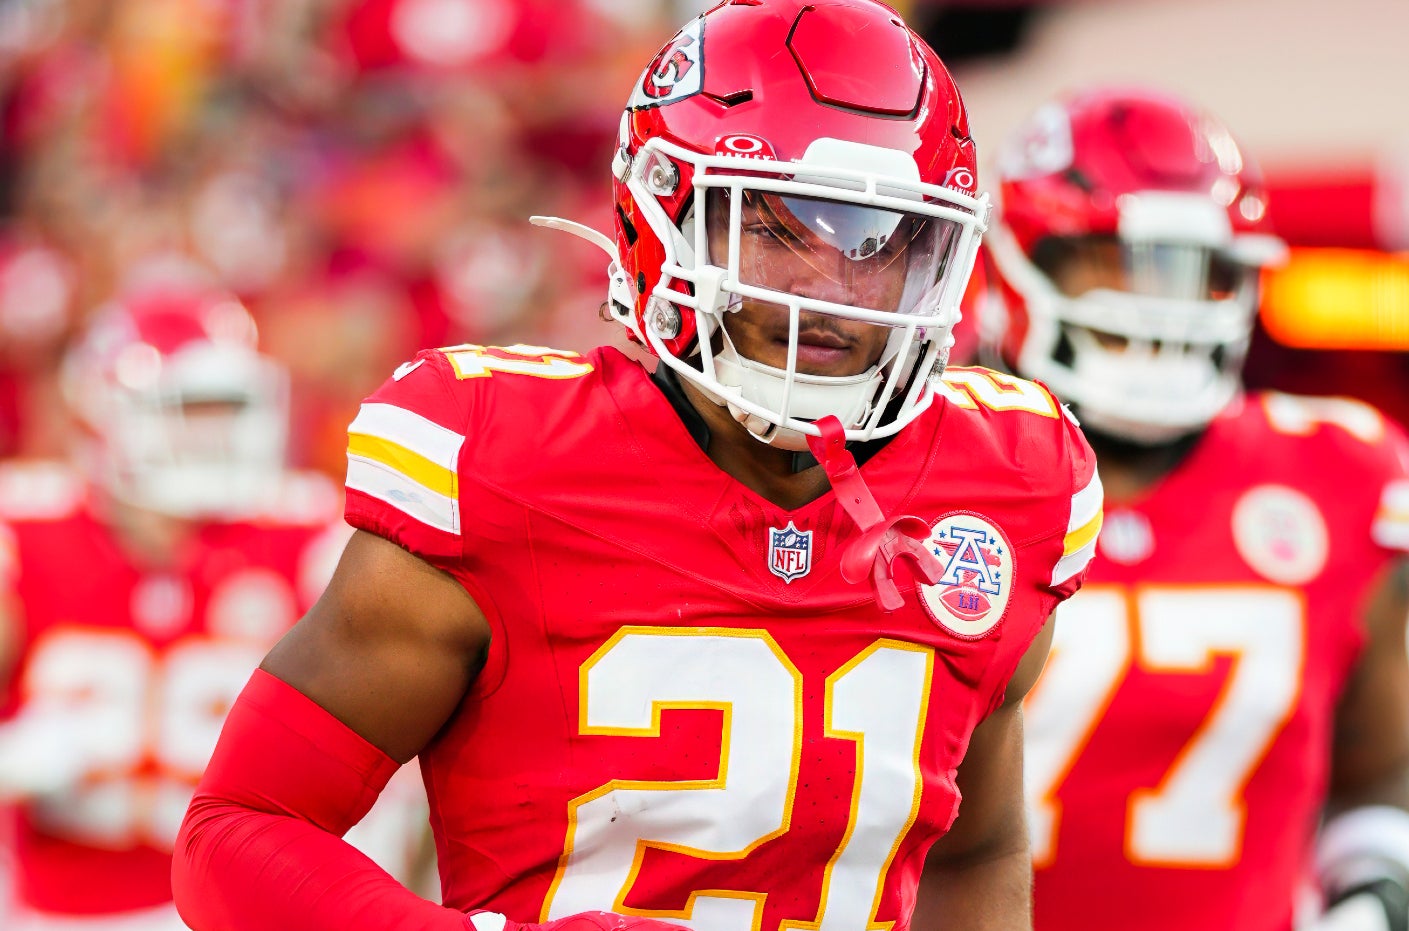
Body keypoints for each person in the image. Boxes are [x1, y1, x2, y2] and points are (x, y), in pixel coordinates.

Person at [171, 2, 1104, 930]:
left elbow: (975, 849)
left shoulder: (1003, 483)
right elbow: (238, 826)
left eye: (883, 241)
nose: (834, 290)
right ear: (661, 216)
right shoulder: (508, 464)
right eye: (779, 230)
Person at [974, 87, 1409, 931]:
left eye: (1195, 272)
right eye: (1114, 260)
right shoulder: (937, 465)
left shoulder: (1338, 474)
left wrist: (1374, 891)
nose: (1156, 304)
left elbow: (1382, 765)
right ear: (1025, 259)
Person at [0, 258, 357, 930]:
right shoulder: (25, 527)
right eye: (190, 408)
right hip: (51, 908)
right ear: (107, 410)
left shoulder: (307, 535)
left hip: (236, 908)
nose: (214, 433)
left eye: (229, 408)